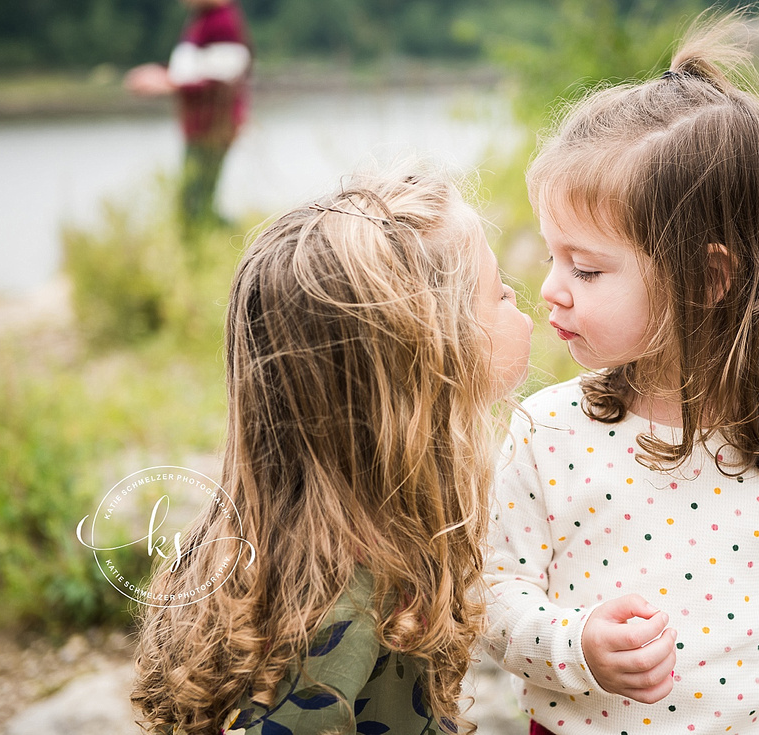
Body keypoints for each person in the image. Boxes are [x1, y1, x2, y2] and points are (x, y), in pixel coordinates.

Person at [484, 15, 759, 735]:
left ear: (707, 277)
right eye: (552, 256)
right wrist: (572, 644)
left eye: (586, 267)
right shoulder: (547, 432)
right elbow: (491, 595)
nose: (551, 288)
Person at [131, 166, 534, 735]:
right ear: (424, 363)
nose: (518, 297)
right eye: (497, 292)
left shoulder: (359, 541)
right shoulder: (339, 611)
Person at [125, 0, 251, 233]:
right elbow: (194, 69)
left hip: (214, 125)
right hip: (200, 126)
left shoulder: (222, 21)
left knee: (196, 202)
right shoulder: (201, 18)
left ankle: (234, 241)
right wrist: (160, 73)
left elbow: (223, 77)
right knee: (193, 199)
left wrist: (166, 83)